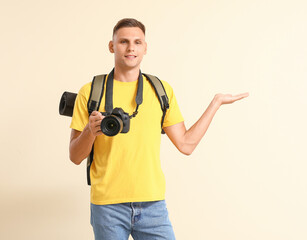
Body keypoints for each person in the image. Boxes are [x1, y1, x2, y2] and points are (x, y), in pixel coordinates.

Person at [69, 18, 249, 240]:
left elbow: (186, 145)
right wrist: (90, 131)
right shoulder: (90, 92)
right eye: (123, 41)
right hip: (107, 206)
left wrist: (216, 103)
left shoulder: (161, 90)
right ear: (112, 46)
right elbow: (75, 156)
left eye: (137, 42)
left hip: (153, 204)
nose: (131, 47)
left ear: (145, 47)